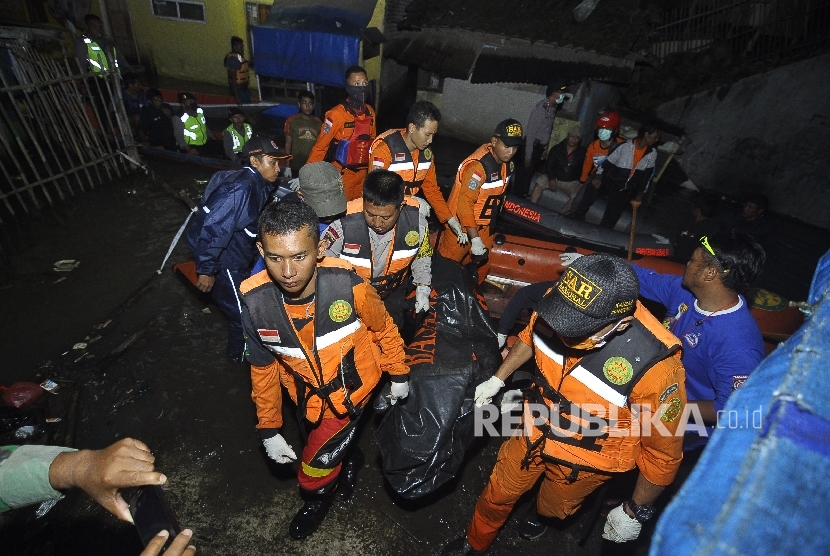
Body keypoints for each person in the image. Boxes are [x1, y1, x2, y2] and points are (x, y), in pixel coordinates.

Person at [442, 254, 686, 555]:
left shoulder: (656, 370)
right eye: (559, 319)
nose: (561, 330)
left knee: (554, 508)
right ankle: (475, 541)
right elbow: (530, 337)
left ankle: (540, 515)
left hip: (584, 460)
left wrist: (635, 509)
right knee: (498, 491)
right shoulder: (559, 306)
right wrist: (498, 379)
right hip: (534, 428)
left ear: (620, 325)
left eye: (576, 327)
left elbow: (662, 454)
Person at [241, 201, 410, 540]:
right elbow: (263, 369)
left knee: (313, 466)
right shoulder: (254, 302)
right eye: (275, 258)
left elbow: (384, 328)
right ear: (261, 250)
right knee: (313, 436)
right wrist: (269, 427)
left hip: (353, 391)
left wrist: (399, 374)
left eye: (299, 256)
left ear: (319, 248)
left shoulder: (349, 286)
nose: (288, 271)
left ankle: (319, 495)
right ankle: (349, 458)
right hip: (304, 396)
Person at [623, 231, 765, 448]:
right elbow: (642, 277)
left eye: (691, 260)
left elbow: (731, 411)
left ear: (709, 274)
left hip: (684, 428)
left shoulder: (739, 346)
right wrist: (594, 262)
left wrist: (667, 407)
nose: (686, 264)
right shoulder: (684, 293)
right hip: (650, 394)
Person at [186, 136, 289, 362]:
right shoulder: (240, 188)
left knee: (247, 304)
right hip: (226, 262)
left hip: (241, 254)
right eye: (273, 162)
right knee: (242, 315)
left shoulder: (259, 184)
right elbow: (215, 230)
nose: (278, 168)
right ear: (254, 161)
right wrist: (207, 270)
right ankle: (237, 359)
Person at [324, 170, 432, 328]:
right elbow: (324, 266)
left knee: (391, 331)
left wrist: (423, 286)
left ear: (401, 206)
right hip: (351, 294)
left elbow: (422, 256)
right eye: (370, 214)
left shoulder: (417, 225)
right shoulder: (342, 224)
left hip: (392, 292)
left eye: (386, 217)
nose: (377, 223)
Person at [437, 119, 523, 284]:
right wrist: (474, 238)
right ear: (494, 141)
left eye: (515, 147)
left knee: (483, 267)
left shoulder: (507, 166)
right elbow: (464, 204)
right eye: (506, 146)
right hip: (462, 228)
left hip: (485, 226)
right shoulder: (478, 168)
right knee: (447, 267)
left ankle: (471, 297)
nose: (511, 152)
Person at [370, 100, 466, 244]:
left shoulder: (426, 156)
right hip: (382, 218)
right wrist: (410, 201)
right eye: (427, 134)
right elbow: (376, 191)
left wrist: (450, 219)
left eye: (434, 135)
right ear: (412, 127)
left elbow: (432, 190)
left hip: (407, 214)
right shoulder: (384, 151)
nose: (430, 140)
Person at [569, 121, 660, 229]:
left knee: (612, 217)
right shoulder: (625, 146)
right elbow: (606, 163)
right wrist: (598, 177)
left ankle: (602, 232)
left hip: (625, 190)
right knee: (592, 186)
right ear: (646, 134)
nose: (657, 140)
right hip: (611, 182)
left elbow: (647, 176)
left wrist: (639, 195)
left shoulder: (652, 153)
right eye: (655, 137)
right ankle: (579, 214)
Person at [306, 66, 376, 201]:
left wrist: (373, 174)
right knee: (342, 214)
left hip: (363, 174)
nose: (361, 87)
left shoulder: (370, 112)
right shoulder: (336, 115)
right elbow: (321, 147)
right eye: (356, 84)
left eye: (365, 83)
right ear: (348, 88)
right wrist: (307, 175)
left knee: (360, 212)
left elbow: (373, 146)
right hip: (342, 175)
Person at [516, 84, 570, 197]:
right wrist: (528, 156)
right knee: (522, 179)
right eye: (561, 93)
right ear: (554, 94)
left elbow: (547, 131)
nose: (562, 96)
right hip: (531, 148)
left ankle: (522, 196)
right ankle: (517, 200)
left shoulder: (551, 108)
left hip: (538, 148)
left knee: (529, 176)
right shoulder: (541, 109)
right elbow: (531, 133)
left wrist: (545, 149)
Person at [530, 123, 586, 212]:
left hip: (571, 181)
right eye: (572, 136)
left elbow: (586, 168)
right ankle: (532, 209)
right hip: (555, 177)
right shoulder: (557, 149)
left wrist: (582, 182)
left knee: (578, 196)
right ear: (568, 136)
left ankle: (559, 215)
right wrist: (552, 179)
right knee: (540, 182)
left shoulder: (582, 152)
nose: (574, 140)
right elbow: (549, 165)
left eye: (577, 138)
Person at [74, 13, 119, 117]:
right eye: (94, 26)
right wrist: (84, 83)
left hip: (112, 76)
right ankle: (106, 129)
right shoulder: (83, 42)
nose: (98, 29)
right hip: (95, 79)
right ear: (87, 27)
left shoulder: (107, 40)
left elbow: (118, 56)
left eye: (99, 26)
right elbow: (82, 63)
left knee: (115, 104)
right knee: (102, 105)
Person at [284, 91, 322, 177]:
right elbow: (287, 145)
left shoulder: (319, 123)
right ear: (299, 104)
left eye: (310, 103)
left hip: (312, 166)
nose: (307, 106)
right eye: (304, 103)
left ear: (314, 105)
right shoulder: (292, 121)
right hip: (296, 166)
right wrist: (287, 167)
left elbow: (321, 146)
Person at [674, 195, 722, 263]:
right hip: (676, 259)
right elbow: (677, 238)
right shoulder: (688, 222)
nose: (691, 209)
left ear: (698, 209)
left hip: (690, 263)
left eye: (693, 207)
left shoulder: (710, 227)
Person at [173, 92, 222, 157]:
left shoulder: (199, 111)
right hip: (190, 146)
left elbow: (204, 125)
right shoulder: (179, 117)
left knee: (222, 146)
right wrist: (188, 149)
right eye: (189, 102)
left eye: (193, 101)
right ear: (183, 104)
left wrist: (212, 137)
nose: (192, 103)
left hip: (203, 142)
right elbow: (179, 136)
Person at [225, 36, 250, 104]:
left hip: (244, 87)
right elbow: (233, 79)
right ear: (235, 47)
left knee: (248, 104)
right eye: (241, 47)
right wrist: (237, 96)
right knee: (245, 106)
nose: (242, 49)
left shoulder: (239, 57)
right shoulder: (233, 60)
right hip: (239, 89)